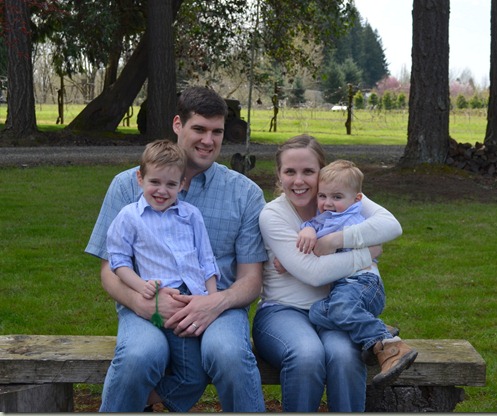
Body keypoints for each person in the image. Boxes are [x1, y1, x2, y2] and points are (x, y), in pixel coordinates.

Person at [85, 86, 268, 412]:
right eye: (199, 129)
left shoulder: (245, 194)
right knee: (139, 355)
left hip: (220, 305)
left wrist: (214, 303)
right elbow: (108, 270)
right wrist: (142, 304)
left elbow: (252, 280)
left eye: (217, 132)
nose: (208, 141)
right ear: (177, 124)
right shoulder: (127, 185)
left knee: (230, 355)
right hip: (146, 302)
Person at [252, 134, 403, 412]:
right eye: (290, 172)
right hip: (283, 311)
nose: (299, 181)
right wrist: (366, 253)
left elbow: (391, 226)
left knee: (345, 356)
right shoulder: (273, 214)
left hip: (333, 311)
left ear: (321, 172)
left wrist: (334, 240)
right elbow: (313, 273)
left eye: (308, 171)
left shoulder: (339, 195)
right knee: (306, 355)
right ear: (279, 175)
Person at [106, 140, 220, 405]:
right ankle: (125, 404)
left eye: (171, 184)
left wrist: (211, 299)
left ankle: (135, 402)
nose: (162, 190)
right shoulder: (130, 217)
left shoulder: (191, 215)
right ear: (140, 178)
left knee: (196, 373)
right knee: (187, 374)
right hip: (158, 298)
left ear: (182, 184)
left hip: (192, 301)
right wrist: (141, 286)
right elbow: (118, 261)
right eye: (154, 182)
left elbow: (206, 260)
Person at [289, 159, 418, 388]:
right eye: (322, 196)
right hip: (344, 288)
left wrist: (327, 241)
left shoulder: (354, 219)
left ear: (357, 199)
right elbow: (312, 228)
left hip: (363, 283)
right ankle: (373, 328)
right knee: (317, 312)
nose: (328, 203)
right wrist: (307, 230)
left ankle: (392, 348)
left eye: (337, 197)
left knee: (339, 309)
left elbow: (384, 231)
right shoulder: (325, 217)